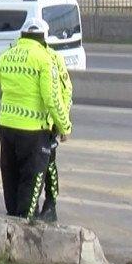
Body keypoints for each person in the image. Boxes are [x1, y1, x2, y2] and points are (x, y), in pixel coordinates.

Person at [0, 18, 71, 221]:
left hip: (7, 126)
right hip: (34, 130)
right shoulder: (46, 58)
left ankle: (13, 217)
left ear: (22, 35)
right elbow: (52, 98)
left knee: (11, 176)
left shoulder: (7, 54)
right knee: (32, 179)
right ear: (44, 38)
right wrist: (64, 126)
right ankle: (27, 221)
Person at [40, 38, 73, 222]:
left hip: (50, 122)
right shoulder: (40, 56)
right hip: (37, 123)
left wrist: (62, 124)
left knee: (49, 165)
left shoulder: (54, 58)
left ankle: (51, 205)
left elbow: (66, 91)